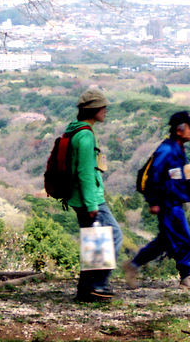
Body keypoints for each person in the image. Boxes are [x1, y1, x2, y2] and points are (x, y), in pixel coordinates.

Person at [123, 111, 190, 291]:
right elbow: (154, 176)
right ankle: (186, 277)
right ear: (179, 130)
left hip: (174, 202)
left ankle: (133, 265)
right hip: (168, 204)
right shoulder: (166, 150)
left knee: (164, 242)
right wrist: (153, 202)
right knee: (185, 240)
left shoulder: (179, 150)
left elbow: (186, 171)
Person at [66, 86, 124, 302]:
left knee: (95, 239)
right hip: (89, 198)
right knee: (112, 236)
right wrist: (92, 204)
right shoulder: (86, 137)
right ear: (94, 109)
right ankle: (96, 285)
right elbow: (85, 173)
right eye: (103, 107)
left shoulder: (75, 130)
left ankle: (87, 288)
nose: (106, 110)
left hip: (80, 197)